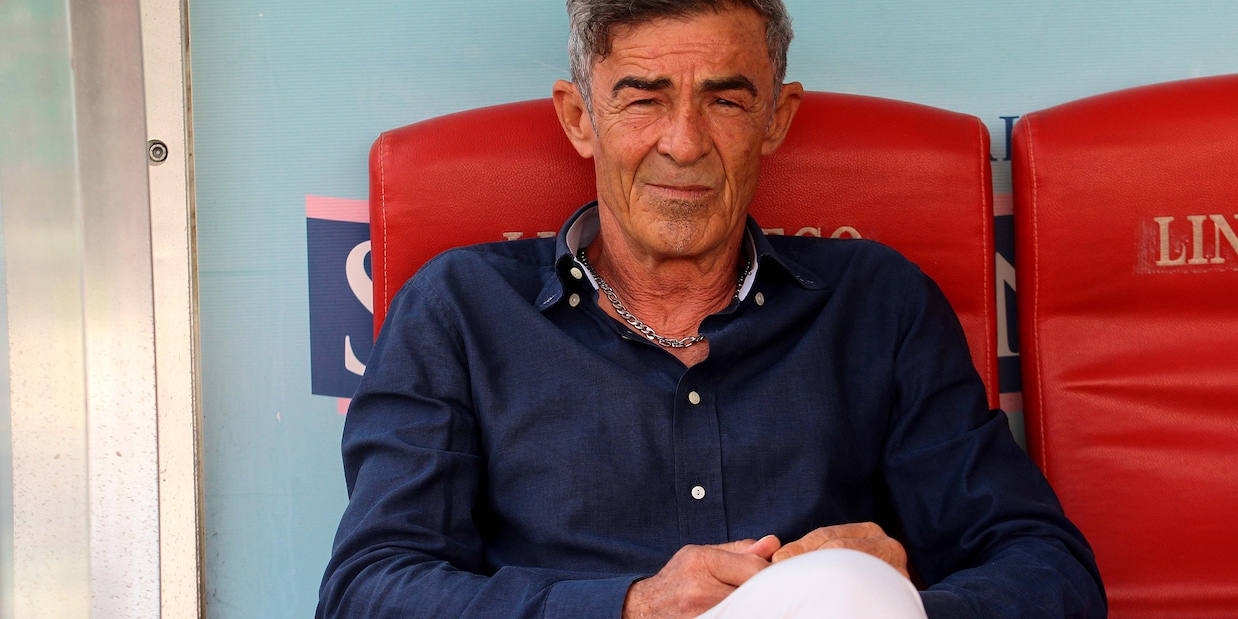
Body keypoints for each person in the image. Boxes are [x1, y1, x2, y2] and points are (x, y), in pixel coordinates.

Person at [317, 1, 1106, 617]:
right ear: (580, 117)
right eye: (643, 100)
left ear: (776, 119)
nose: (685, 143)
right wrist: (629, 606)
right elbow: (365, 592)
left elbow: (1051, 571)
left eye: (726, 101)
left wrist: (890, 603)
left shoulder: (879, 304)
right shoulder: (458, 311)